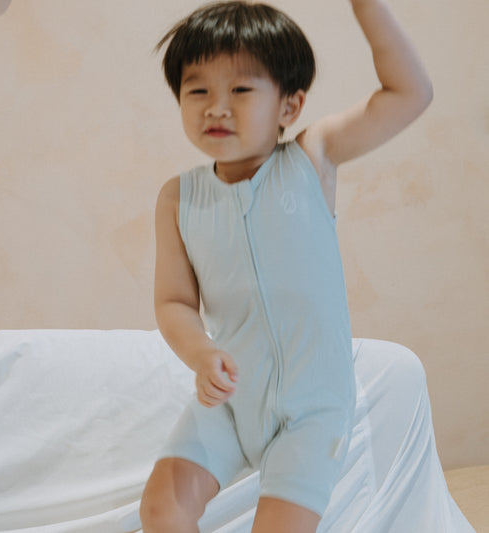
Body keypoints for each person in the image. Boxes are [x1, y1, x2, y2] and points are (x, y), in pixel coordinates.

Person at [140, 1, 432, 532]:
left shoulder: (311, 158)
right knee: (163, 506)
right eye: (197, 90)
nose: (216, 108)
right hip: (231, 398)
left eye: (241, 89)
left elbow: (410, 93)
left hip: (312, 409)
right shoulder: (178, 198)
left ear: (289, 105)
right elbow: (175, 302)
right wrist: (201, 353)